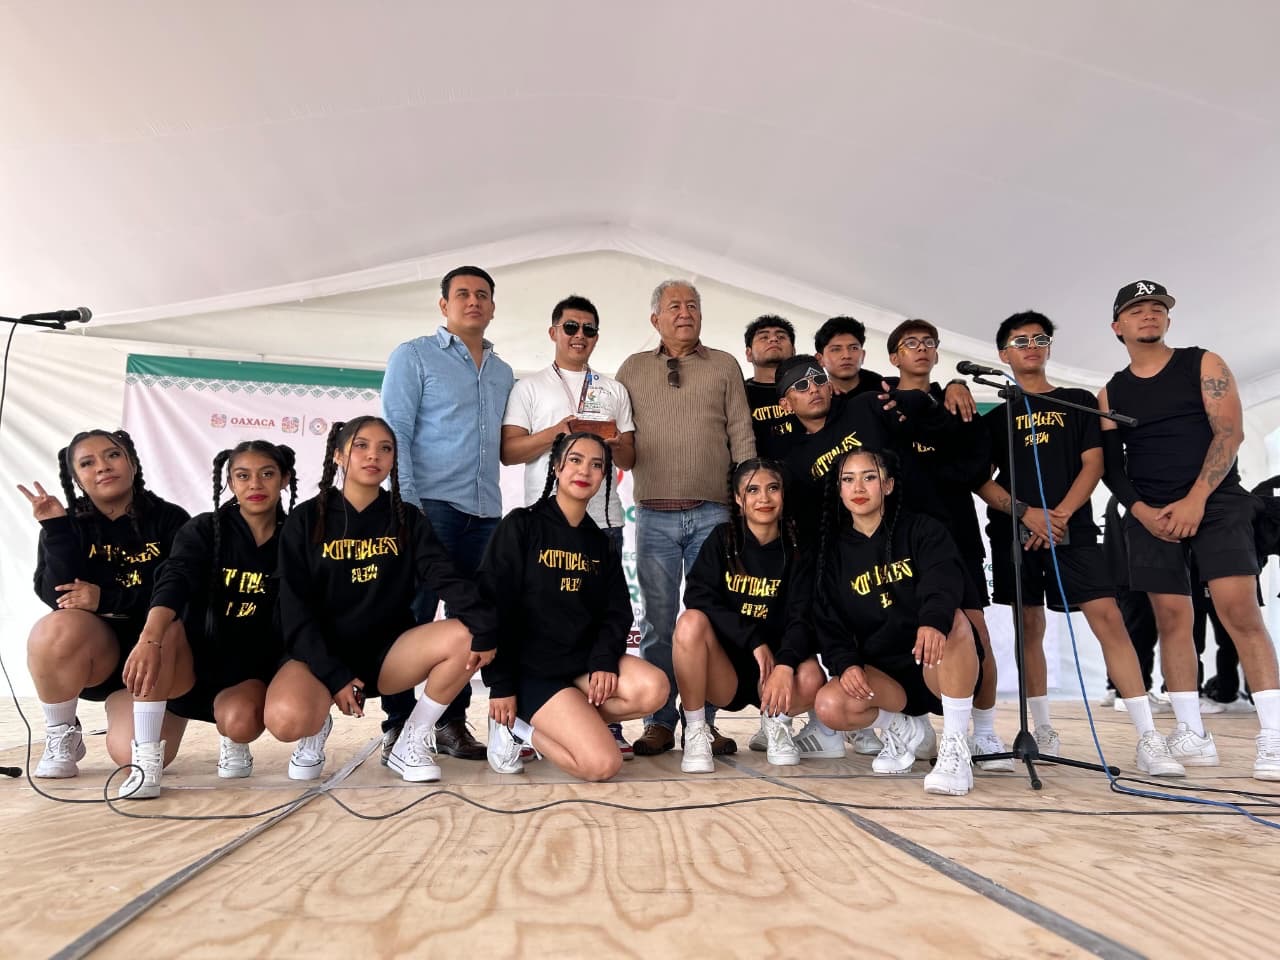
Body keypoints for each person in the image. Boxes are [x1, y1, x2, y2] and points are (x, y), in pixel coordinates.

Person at [978, 311, 1183, 775]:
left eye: (1040, 339)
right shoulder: (995, 417)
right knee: (1028, 626)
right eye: (1020, 341)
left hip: (1075, 530)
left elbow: (1094, 464)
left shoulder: (1078, 402)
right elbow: (981, 480)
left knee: (1108, 618)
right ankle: (1042, 728)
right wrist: (1026, 513)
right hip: (1017, 533)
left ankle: (1148, 737)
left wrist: (1060, 516)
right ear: (1003, 354)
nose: (1031, 347)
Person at [1100, 281, 1280, 779]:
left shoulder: (1204, 363)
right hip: (1152, 512)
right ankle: (1190, 732)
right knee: (1172, 619)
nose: (1149, 314)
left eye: (1157, 307)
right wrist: (1140, 511)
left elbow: (1230, 432)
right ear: (1118, 326)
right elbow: (1112, 467)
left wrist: (1196, 499)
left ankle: (1274, 736)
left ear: (1168, 319)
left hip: (1217, 502)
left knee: (1239, 611)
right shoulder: (1111, 391)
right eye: (1137, 309)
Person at [266, 417, 497, 783]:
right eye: (361, 446)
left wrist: (486, 626)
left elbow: (446, 577)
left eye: (384, 448)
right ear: (339, 455)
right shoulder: (306, 518)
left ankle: (410, 741)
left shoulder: (407, 518)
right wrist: (334, 675)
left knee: (468, 635)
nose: (373, 455)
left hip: (388, 655)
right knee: (286, 720)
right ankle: (316, 722)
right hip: (320, 656)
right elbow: (293, 608)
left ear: (393, 460)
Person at [615, 279, 756, 757]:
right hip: (653, 514)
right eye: (674, 306)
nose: (685, 312)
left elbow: (742, 433)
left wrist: (747, 497)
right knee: (657, 622)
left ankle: (704, 722)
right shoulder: (632, 368)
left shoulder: (724, 364)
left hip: (715, 513)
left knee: (708, 621)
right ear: (655, 319)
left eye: (692, 305)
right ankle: (658, 721)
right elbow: (621, 438)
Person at [381, 265, 515, 763]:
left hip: (485, 513)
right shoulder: (414, 355)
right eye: (462, 294)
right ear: (444, 305)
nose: (473, 301)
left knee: (474, 620)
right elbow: (396, 430)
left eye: (482, 294)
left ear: (493, 307)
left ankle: (450, 722)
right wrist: (407, 506)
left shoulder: (503, 372)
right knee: (413, 615)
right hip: (428, 507)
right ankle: (398, 724)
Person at [482, 433, 668, 780]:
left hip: (579, 667)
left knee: (654, 687)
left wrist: (603, 661)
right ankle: (517, 728)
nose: (585, 471)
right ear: (556, 466)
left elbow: (617, 612)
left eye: (597, 465)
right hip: (532, 673)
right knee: (601, 765)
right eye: (575, 460)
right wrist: (501, 685)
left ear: (605, 477)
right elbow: (496, 607)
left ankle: (568, 723)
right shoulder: (522, 525)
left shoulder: (599, 541)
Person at [500, 295, 637, 757]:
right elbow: (509, 451)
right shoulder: (529, 387)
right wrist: (559, 433)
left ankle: (596, 719)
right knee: (535, 617)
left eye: (589, 329)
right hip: (546, 523)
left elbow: (630, 457)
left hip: (604, 521)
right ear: (554, 332)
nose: (580, 336)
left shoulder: (613, 389)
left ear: (597, 337)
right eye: (571, 327)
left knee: (599, 617)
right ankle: (526, 716)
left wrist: (609, 444)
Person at [22, 429, 192, 799]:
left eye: (112, 455)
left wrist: (107, 599)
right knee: (54, 629)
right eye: (88, 463)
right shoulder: (69, 523)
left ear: (132, 462)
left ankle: (158, 710)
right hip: (102, 655)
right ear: (76, 478)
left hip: (159, 656)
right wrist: (55, 529)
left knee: (130, 758)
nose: (102, 467)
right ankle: (62, 734)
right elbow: (57, 596)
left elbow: (183, 594)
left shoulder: (170, 520)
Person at [811, 449, 983, 795]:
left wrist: (932, 621)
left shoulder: (922, 529)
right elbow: (829, 623)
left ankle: (954, 750)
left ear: (887, 485)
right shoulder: (832, 553)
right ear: (840, 490)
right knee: (830, 704)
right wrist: (845, 664)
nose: (859, 487)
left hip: (934, 664)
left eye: (869, 477)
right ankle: (903, 728)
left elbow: (944, 581)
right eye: (848, 479)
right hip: (886, 678)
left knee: (954, 621)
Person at [884, 319, 1010, 771]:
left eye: (928, 343)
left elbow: (974, 469)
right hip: (898, 540)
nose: (920, 349)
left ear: (937, 354)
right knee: (900, 633)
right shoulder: (880, 401)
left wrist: (956, 387)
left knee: (976, 634)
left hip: (956, 535)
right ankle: (909, 727)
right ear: (894, 356)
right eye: (910, 343)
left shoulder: (957, 404)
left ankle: (986, 732)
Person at [673, 459, 835, 773]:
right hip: (726, 671)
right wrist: (753, 640)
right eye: (753, 490)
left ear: (783, 494)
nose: (764, 498)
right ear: (738, 498)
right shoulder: (722, 539)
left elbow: (803, 616)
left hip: (774, 670)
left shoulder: (799, 547)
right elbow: (698, 596)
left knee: (812, 677)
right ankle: (695, 731)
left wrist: (785, 664)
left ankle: (778, 723)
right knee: (690, 622)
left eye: (772, 488)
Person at [150, 441, 298, 779]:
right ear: (230, 482)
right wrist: (149, 637)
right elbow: (174, 579)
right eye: (243, 476)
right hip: (191, 667)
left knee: (240, 722)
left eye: (267, 474)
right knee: (123, 751)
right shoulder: (204, 529)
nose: (255, 484)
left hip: (248, 674)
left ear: (285, 479)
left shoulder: (294, 537)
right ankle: (145, 753)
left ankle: (233, 739)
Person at [742, 315, 798, 458]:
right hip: (757, 470)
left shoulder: (810, 389)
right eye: (764, 337)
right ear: (749, 354)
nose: (773, 339)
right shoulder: (739, 393)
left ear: (793, 351)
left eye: (781, 336)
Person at [814, 316, 886, 397]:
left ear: (863, 355)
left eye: (854, 348)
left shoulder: (885, 390)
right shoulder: (815, 396)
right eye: (836, 349)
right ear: (820, 359)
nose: (846, 355)